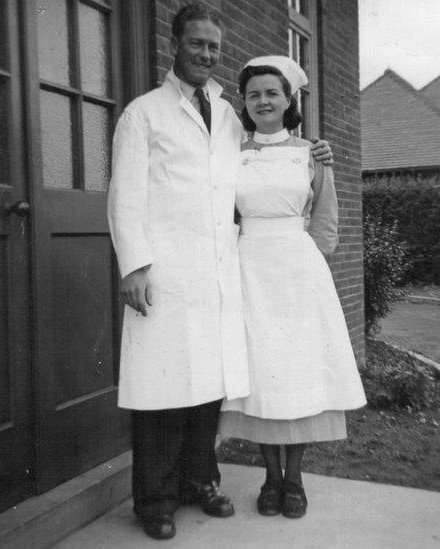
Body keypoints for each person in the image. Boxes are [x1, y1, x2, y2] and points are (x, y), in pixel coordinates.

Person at [107, 4, 333, 541]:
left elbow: (267, 157)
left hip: (221, 272)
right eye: (196, 43)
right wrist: (134, 264)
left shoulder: (230, 115)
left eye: (214, 46)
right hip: (164, 270)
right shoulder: (144, 114)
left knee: (210, 386)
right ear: (175, 44)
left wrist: (314, 151)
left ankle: (199, 481)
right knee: (162, 388)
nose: (206, 53)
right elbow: (125, 195)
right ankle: (155, 500)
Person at [219, 56, 367, 519]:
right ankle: (269, 477)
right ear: (244, 103)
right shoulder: (230, 154)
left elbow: (325, 222)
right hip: (249, 268)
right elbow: (223, 214)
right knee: (262, 370)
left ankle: (296, 479)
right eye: (254, 94)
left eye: (272, 93)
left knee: (299, 370)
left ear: (288, 101)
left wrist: (310, 269)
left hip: (298, 273)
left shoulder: (311, 154)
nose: (263, 101)